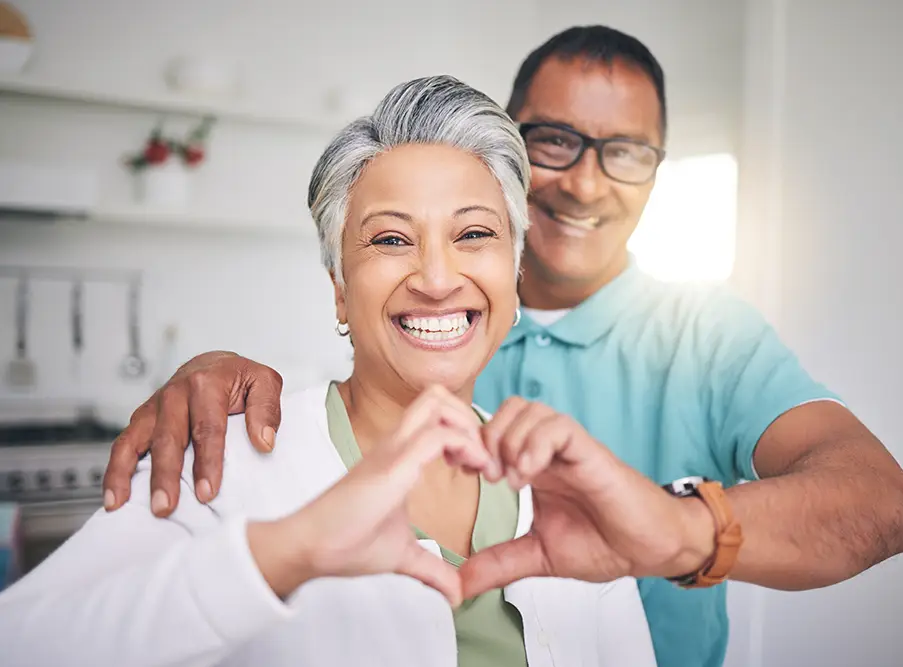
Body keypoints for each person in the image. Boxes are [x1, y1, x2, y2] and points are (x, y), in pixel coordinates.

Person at [101, 26, 903, 667]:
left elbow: (883, 508)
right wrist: (213, 376)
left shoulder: (709, 335)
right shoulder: (392, 352)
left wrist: (668, 529)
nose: (587, 181)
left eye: (627, 152)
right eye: (556, 141)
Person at [0, 75, 659, 667]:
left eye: (473, 234)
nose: (435, 277)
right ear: (340, 288)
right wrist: (285, 551)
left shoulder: (565, 492)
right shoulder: (223, 463)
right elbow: (22, 642)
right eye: (391, 239)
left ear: (514, 278)